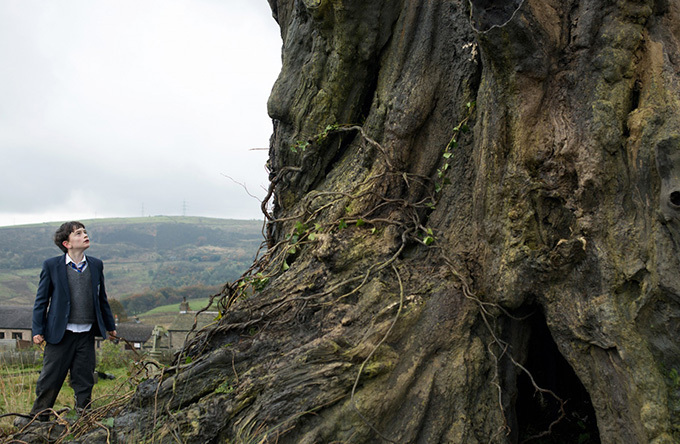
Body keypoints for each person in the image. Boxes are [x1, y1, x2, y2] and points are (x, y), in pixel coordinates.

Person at [17, 221, 117, 425]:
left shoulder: (96, 264)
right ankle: (38, 419)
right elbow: (41, 301)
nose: (85, 235)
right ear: (67, 243)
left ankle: (83, 418)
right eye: (78, 233)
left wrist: (110, 326)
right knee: (50, 379)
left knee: (84, 379)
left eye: (85, 232)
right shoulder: (52, 265)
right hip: (59, 334)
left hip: (87, 333)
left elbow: (102, 298)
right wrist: (37, 329)